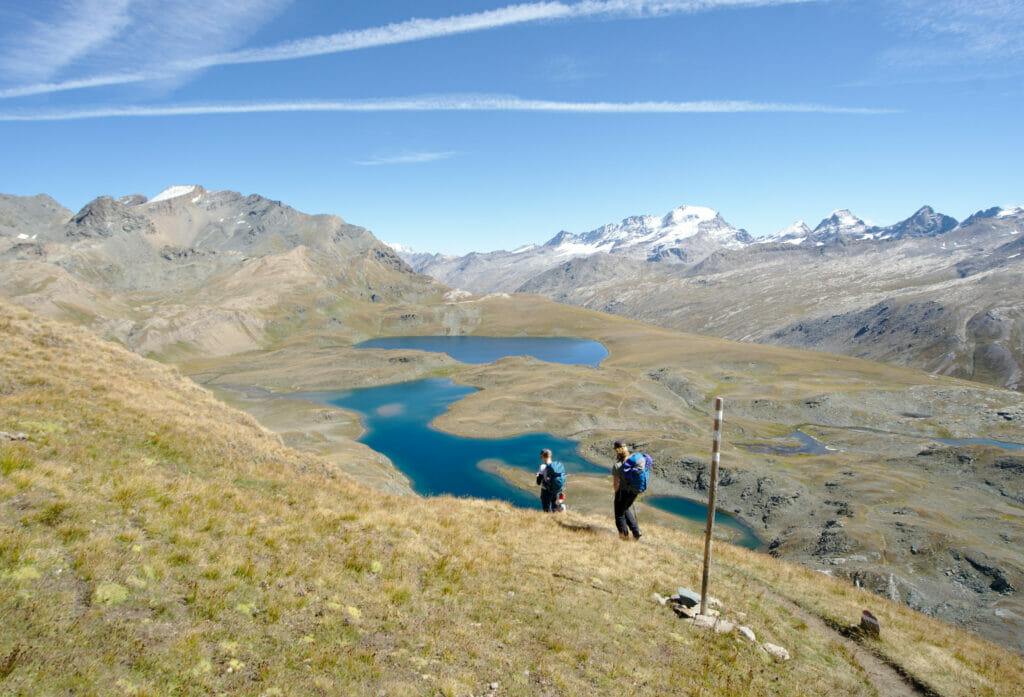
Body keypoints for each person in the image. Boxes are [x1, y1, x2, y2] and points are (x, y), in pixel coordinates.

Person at [612, 441, 642, 539]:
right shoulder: (633, 461)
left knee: (619, 515)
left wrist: (617, 493)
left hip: (623, 492)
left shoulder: (617, 465)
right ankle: (636, 530)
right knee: (624, 509)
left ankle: (624, 537)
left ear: (617, 451)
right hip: (634, 491)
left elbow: (616, 484)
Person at [535, 448, 565, 513]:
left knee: (546, 509)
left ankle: (548, 521)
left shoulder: (543, 467)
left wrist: (538, 476)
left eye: (541, 457)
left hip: (546, 491)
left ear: (543, 457)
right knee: (554, 507)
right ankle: (556, 517)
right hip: (555, 490)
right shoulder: (556, 466)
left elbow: (538, 482)